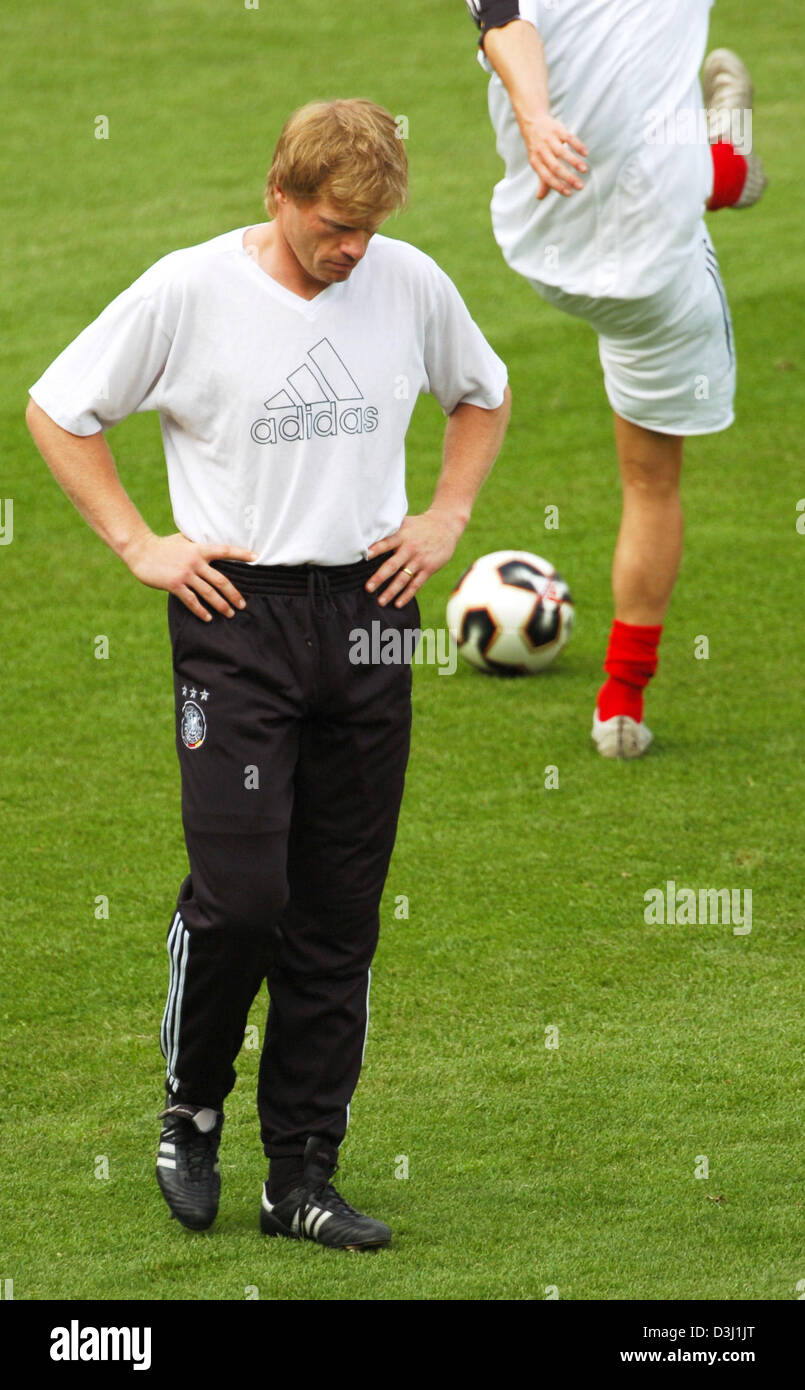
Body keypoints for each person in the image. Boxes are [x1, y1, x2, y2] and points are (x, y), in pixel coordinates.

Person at [26, 98, 511, 1250]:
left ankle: (300, 1174)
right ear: (279, 195)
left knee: (339, 913)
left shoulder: (408, 280)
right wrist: (142, 545)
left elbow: (481, 393)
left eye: (370, 226)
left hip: (373, 611)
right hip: (239, 616)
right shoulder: (189, 292)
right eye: (335, 226)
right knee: (246, 899)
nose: (354, 248)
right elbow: (59, 408)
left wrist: (446, 514)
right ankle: (191, 1109)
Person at [466, 2, 766, 757]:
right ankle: (724, 164)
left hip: (543, 251)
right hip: (653, 281)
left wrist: (534, 120)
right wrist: (537, 118)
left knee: (649, 181)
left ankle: (710, 167)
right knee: (651, 482)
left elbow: (502, 24)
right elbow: (507, 27)